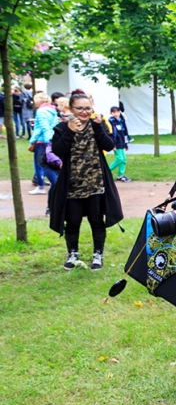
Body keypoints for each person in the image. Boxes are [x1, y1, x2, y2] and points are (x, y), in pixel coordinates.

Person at [49, 90, 124, 271]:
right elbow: (58, 151)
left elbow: (109, 145)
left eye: (87, 108)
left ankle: (98, 254)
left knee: (96, 221)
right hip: (73, 184)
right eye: (79, 108)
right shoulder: (62, 128)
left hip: (96, 184)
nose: (84, 112)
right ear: (72, 109)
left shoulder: (97, 124)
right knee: (73, 221)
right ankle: (72, 254)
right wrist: (69, 132)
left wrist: (98, 127)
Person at [28, 93, 59, 196]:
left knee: (39, 165)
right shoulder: (53, 110)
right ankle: (52, 182)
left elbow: (42, 127)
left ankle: (41, 186)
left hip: (43, 140)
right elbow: (54, 125)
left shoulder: (40, 111)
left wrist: (32, 140)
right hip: (52, 138)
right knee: (51, 163)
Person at [108, 106, 132, 182]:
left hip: (122, 142)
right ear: (111, 113)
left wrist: (126, 144)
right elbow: (111, 134)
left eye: (117, 112)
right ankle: (106, 171)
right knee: (120, 158)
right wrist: (113, 145)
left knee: (123, 160)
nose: (116, 114)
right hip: (116, 143)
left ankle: (120, 176)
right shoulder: (111, 122)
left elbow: (125, 133)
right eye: (113, 112)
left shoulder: (122, 121)